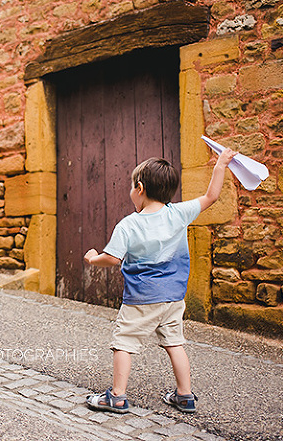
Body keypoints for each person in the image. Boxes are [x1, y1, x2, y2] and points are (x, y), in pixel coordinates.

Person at [83, 148, 236, 414]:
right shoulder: (179, 213)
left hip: (141, 298)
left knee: (124, 343)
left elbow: (112, 258)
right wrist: (220, 164)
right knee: (174, 343)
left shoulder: (129, 225)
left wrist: (93, 259)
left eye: (132, 186)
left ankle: (117, 396)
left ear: (140, 188)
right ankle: (185, 395)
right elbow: (211, 196)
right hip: (173, 297)